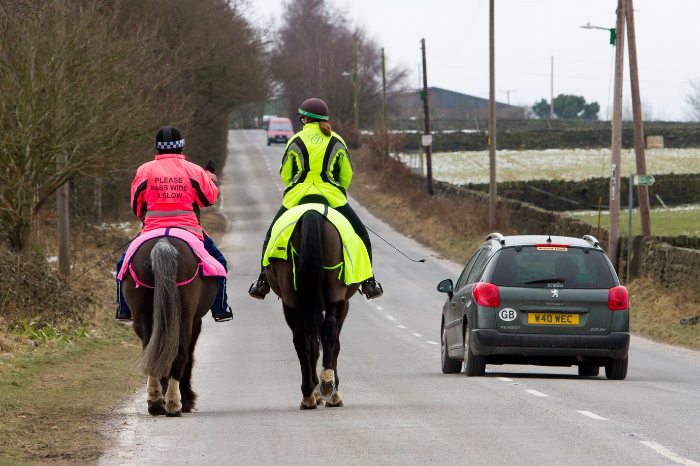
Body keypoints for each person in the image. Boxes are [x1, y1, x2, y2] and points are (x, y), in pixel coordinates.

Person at [248, 98, 383, 300]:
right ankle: (369, 282)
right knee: (362, 235)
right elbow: (347, 174)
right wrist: (337, 191)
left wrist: (297, 185)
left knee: (271, 235)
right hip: (332, 197)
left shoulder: (295, 140)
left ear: (304, 119)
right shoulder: (336, 141)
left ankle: (262, 281)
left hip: (298, 197)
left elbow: (285, 173)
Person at [115, 126, 233, 323]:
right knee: (218, 263)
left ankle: (124, 309)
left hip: (151, 229)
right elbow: (208, 199)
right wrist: (210, 177)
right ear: (181, 147)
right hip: (189, 230)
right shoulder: (194, 170)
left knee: (123, 265)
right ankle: (220, 308)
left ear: (157, 147)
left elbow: (136, 204)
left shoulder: (144, 170)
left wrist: (146, 220)